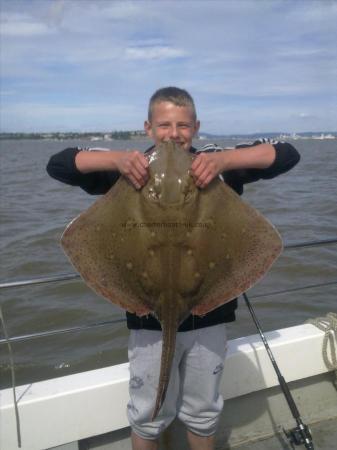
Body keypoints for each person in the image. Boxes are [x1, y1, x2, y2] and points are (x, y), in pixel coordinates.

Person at [47, 87, 300, 450]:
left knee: (203, 411)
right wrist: (117, 160)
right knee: (148, 415)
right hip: (146, 315)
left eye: (183, 125)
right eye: (164, 125)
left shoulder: (216, 163)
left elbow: (288, 154)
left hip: (209, 312)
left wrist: (225, 162)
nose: (173, 134)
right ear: (148, 127)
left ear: (196, 127)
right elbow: (58, 164)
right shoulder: (129, 169)